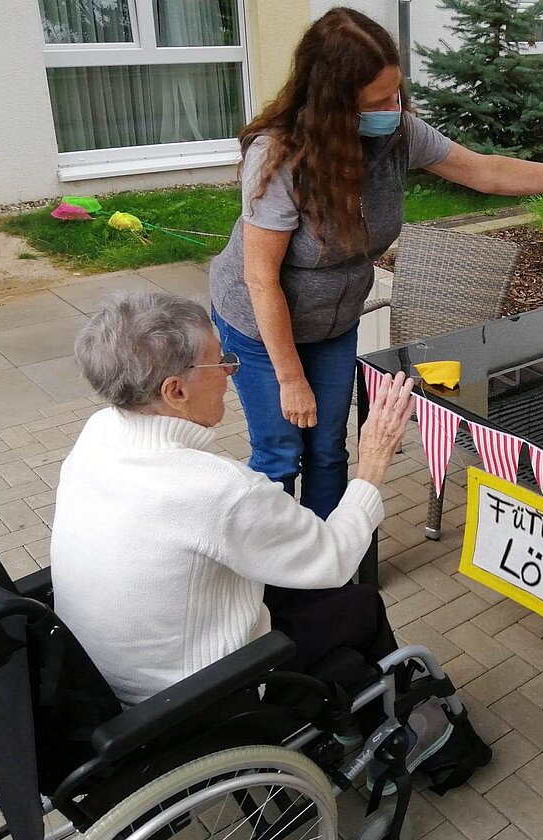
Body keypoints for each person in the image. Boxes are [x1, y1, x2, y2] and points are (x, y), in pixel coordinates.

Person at [209, 6, 543, 518]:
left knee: (328, 451)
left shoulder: (397, 133)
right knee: (279, 454)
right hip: (260, 324)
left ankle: (325, 568)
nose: (394, 106)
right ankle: (271, 577)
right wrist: (291, 378)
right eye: (378, 99)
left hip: (332, 322)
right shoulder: (280, 158)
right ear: (334, 104)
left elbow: (487, 171)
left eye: (396, 92)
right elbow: (260, 278)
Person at [50, 290, 414, 708]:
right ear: (175, 392)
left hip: (102, 675)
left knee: (304, 587)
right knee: (359, 602)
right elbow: (333, 559)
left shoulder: (99, 432)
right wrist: (372, 465)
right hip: (196, 693)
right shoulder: (219, 489)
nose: (230, 372)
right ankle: (406, 724)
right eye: (220, 362)